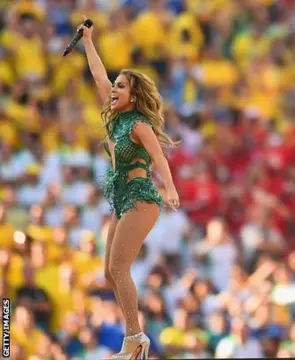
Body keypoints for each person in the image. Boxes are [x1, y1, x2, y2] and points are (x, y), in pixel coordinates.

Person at [79, 17, 180, 360]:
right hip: (122, 200)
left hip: (141, 197)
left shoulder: (138, 123)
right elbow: (97, 75)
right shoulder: (115, 118)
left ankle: (135, 338)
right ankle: (134, 337)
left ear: (133, 96)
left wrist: (169, 190)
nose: (113, 89)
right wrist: (88, 41)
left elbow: (158, 157)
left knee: (120, 269)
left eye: (120, 86)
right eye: (115, 85)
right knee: (110, 271)